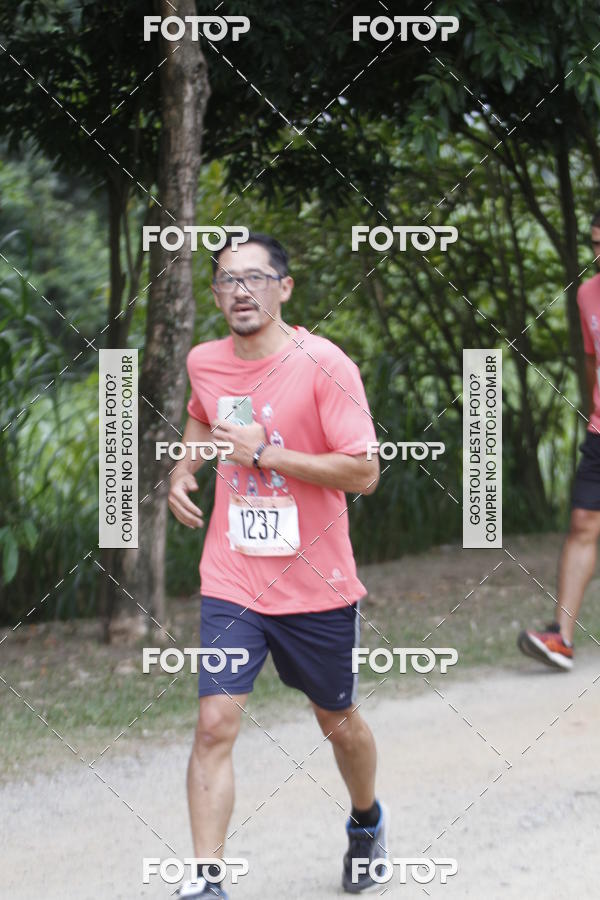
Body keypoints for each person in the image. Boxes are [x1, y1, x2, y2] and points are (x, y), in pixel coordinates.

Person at [167, 232, 387, 898]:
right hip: (233, 576)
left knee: (337, 721)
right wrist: (185, 466)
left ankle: (366, 821)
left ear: (284, 288)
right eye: (227, 280)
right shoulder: (206, 360)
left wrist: (269, 456)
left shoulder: (323, 364)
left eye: (255, 277)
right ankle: (207, 878)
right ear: (214, 294)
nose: (240, 290)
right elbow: (207, 418)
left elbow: (365, 472)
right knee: (214, 723)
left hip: (316, 584)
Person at [518, 211, 600, 671]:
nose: (598, 254)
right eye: (594, 243)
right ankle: (562, 639)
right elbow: (592, 358)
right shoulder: (589, 293)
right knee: (583, 522)